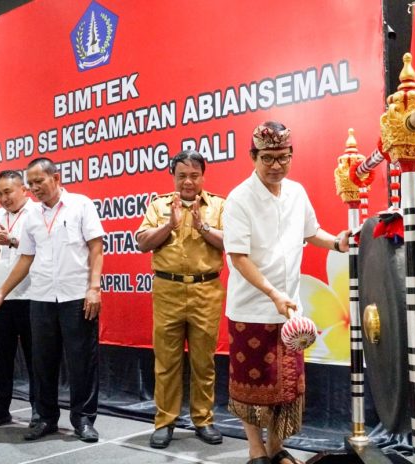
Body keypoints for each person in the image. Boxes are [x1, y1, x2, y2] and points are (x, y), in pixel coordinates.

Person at [222, 121, 350, 464]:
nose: (276, 165)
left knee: (284, 388)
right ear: (253, 157)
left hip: (291, 313)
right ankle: (255, 451)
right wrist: (272, 293)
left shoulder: (297, 193)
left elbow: (313, 233)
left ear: (291, 155)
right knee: (251, 389)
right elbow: (238, 257)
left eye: (282, 157)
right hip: (250, 309)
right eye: (267, 158)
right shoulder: (239, 199)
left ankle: (277, 448)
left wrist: (338, 242)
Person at [0, 157, 104, 443]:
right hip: (42, 297)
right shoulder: (33, 216)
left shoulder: (81, 205)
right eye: (31, 184)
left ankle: (83, 419)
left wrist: (94, 288)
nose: (35, 188)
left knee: (81, 360)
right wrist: (2, 292)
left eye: (39, 182)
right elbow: (26, 258)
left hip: (76, 296)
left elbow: (96, 248)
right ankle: (45, 418)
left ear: (56, 178)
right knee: (43, 362)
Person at [136, 150, 225, 449]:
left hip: (206, 291)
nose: (188, 182)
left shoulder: (219, 205)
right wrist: (168, 226)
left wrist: (203, 226)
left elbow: (234, 241)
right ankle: (164, 422)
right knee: (167, 361)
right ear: (173, 177)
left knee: (204, 361)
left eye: (194, 175)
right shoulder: (159, 205)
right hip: (168, 291)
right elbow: (141, 243)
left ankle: (203, 419)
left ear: (203, 176)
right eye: (182, 176)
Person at [0, 170, 37, 429]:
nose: (4, 198)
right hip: (0, 297)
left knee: (36, 357)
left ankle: (40, 409)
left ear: (24, 189)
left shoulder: (37, 213)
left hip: (32, 295)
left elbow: (38, 250)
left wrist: (10, 239)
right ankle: (0, 408)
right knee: (2, 356)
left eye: (8, 192)